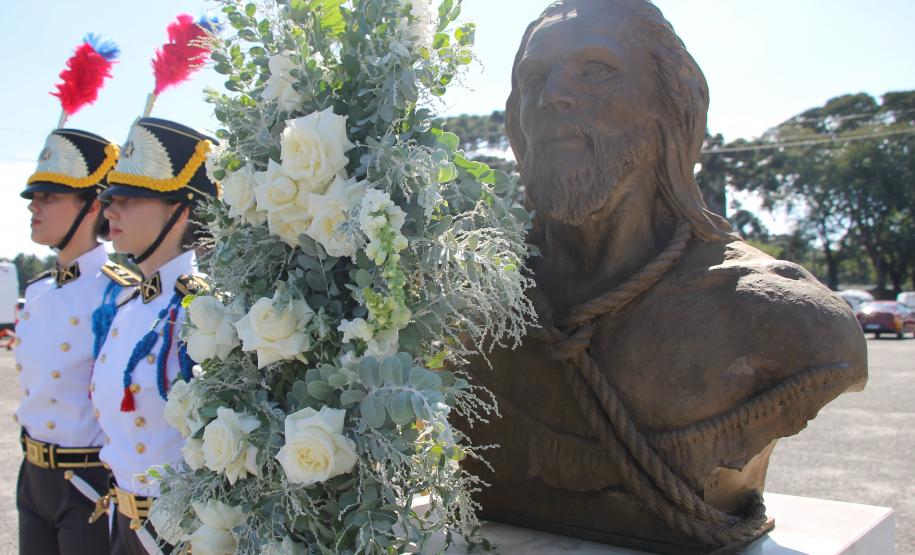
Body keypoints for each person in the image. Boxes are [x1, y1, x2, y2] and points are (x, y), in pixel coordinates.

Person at [464, 0, 868, 552]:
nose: (552, 95)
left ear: (669, 106)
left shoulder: (781, 318)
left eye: (596, 70)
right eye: (535, 77)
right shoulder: (467, 308)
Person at [91, 117, 215, 554]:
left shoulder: (205, 310)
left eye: (128, 199)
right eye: (109, 199)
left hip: (175, 534)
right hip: (121, 519)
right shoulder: (127, 304)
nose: (109, 212)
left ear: (179, 210)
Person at [16, 127, 138, 554]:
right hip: (33, 476)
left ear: (92, 206)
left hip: (88, 484)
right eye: (36, 196)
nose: (35, 206)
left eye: (50, 196)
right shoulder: (36, 291)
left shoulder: (121, 294)